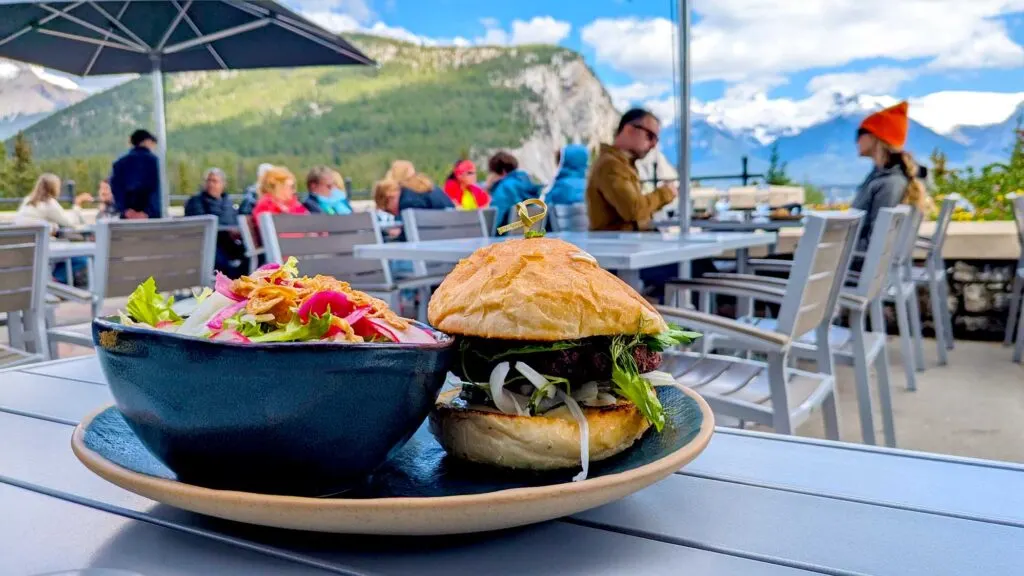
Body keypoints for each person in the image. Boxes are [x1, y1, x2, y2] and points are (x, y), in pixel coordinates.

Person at [586, 109, 679, 303]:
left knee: (694, 265)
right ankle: (724, 322)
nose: (653, 144)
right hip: (622, 256)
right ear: (629, 129)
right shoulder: (610, 165)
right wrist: (666, 193)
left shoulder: (620, 164)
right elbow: (633, 210)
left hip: (630, 249)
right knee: (691, 268)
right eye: (650, 136)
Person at [852, 100, 932, 250]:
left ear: (875, 137)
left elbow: (877, 240)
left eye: (860, 133)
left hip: (861, 266)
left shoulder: (890, 184)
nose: (856, 140)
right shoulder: (899, 178)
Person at [16, 173, 92, 286]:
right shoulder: (49, 203)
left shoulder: (28, 201)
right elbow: (69, 222)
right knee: (83, 259)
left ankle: (52, 281)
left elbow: (35, 221)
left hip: (24, 248)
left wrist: (52, 225)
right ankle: (56, 281)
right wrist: (77, 204)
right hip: (42, 248)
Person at [184, 168, 246, 279]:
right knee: (223, 264)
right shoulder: (196, 201)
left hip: (229, 243)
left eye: (215, 181)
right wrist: (227, 230)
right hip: (206, 245)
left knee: (250, 256)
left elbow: (235, 221)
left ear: (223, 184)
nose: (211, 184)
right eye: (208, 181)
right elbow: (199, 225)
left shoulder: (228, 202)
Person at [109, 129, 161, 219]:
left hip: (127, 218)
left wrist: (126, 211)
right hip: (151, 218)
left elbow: (116, 190)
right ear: (147, 141)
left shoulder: (119, 163)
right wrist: (148, 212)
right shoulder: (156, 162)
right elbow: (158, 190)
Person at [485, 151, 543, 232]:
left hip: (505, 240)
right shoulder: (527, 186)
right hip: (526, 238)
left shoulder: (505, 188)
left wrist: (489, 188)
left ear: (503, 171)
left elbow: (492, 224)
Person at [251, 166, 309, 235]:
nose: (294, 191)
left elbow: (310, 222)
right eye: (291, 187)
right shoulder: (265, 206)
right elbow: (273, 234)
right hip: (289, 244)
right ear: (278, 187)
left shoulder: (293, 204)